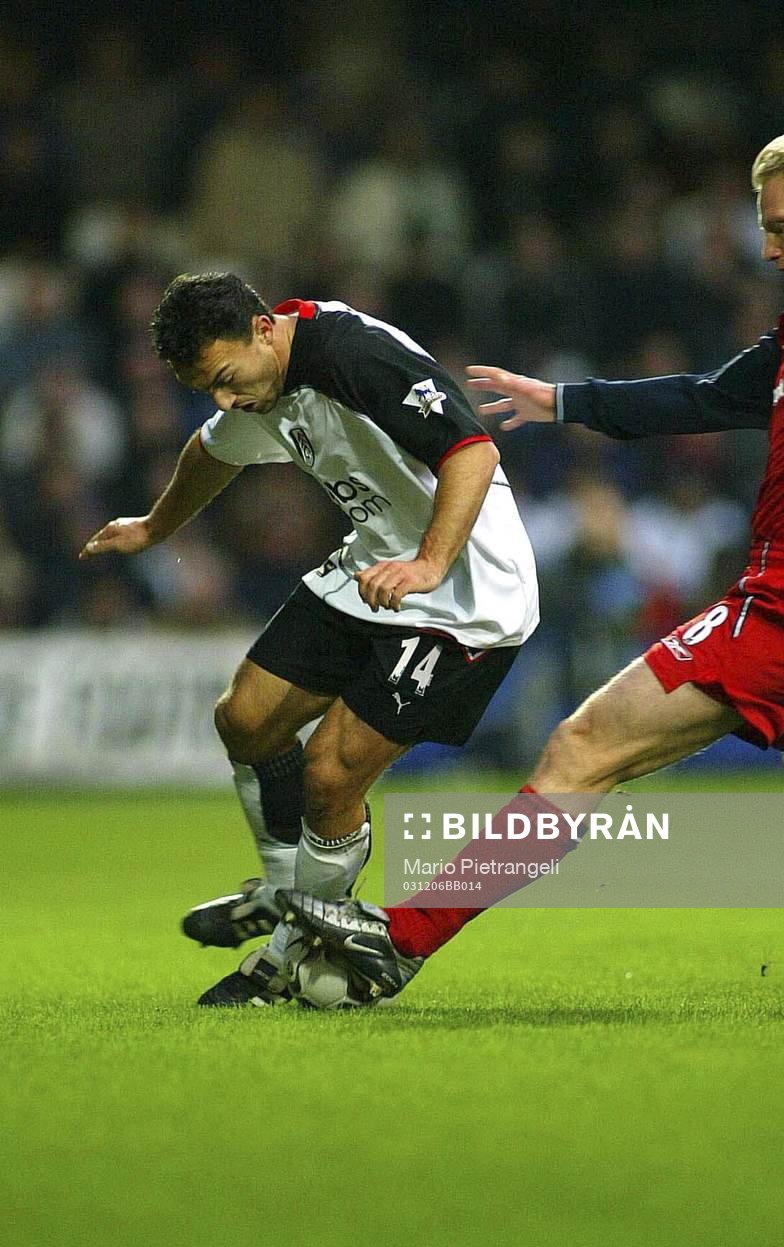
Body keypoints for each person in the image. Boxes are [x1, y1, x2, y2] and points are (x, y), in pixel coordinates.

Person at [276, 126, 784, 1004]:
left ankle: (399, 942)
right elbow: (702, 397)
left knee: (580, 747)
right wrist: (560, 400)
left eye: (779, 225)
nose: (766, 246)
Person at [80, 271, 538, 1005]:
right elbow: (212, 447)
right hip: (374, 567)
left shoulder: (355, 357)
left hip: (462, 593)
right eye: (210, 388)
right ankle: (286, 890)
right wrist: (153, 527)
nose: (227, 399)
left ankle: (288, 952)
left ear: (263, 330)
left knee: (330, 775)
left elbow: (471, 452)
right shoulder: (260, 378)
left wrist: (428, 562)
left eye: (226, 379)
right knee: (245, 718)